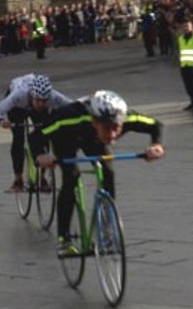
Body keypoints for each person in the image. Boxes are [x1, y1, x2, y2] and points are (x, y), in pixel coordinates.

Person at [35, 90, 164, 256]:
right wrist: (41, 154)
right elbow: (35, 136)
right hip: (65, 137)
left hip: (94, 139)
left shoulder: (126, 117)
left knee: (108, 172)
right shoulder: (67, 117)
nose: (112, 134)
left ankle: (107, 227)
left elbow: (156, 125)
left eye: (116, 128)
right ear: (94, 121)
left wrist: (156, 145)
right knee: (71, 178)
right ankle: (64, 239)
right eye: (107, 128)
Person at [0, 73, 72, 192]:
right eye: (38, 100)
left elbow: (73, 106)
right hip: (17, 107)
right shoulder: (18, 96)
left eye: (44, 101)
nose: (41, 104)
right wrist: (1, 121)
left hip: (35, 109)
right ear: (31, 96)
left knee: (43, 134)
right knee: (18, 138)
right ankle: (18, 179)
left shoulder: (53, 96)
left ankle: (41, 177)